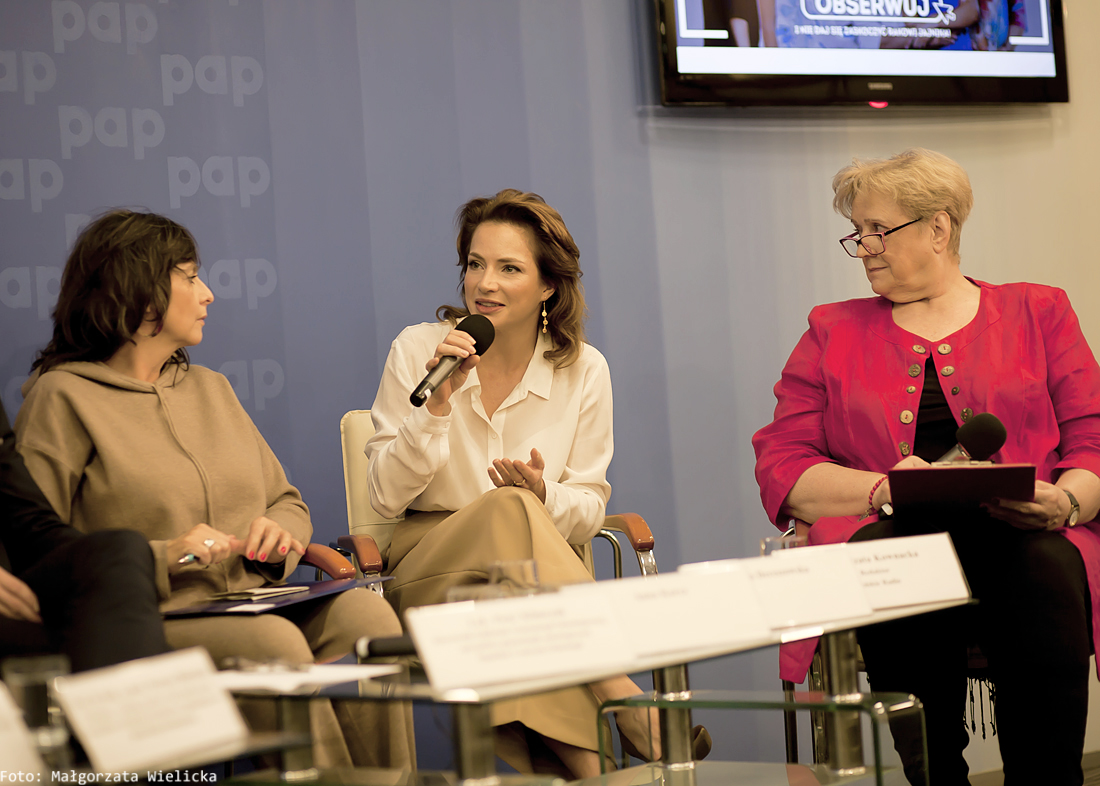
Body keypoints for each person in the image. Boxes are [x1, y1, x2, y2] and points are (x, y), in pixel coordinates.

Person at [14, 210, 414, 769]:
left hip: (258, 599)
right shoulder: (62, 400)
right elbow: (38, 559)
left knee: (368, 619)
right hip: (156, 621)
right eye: (190, 276)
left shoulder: (211, 387)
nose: (208, 294)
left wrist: (281, 532)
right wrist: (168, 557)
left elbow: (287, 501)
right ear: (140, 288)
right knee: (275, 651)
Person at [753, 148, 1100, 786]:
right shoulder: (831, 330)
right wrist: (886, 487)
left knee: (1044, 560)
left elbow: (1092, 435)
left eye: (877, 230)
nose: (863, 248)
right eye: (856, 234)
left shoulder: (1039, 310)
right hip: (894, 531)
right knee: (896, 562)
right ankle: (935, 778)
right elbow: (784, 459)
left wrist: (1068, 502)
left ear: (938, 229)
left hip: (1029, 532)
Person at [366, 189, 708, 779]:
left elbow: (588, 506)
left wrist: (543, 497)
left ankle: (589, 771)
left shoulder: (583, 368)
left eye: (508, 268)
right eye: (474, 264)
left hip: (527, 585)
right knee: (507, 511)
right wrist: (436, 407)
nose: (484, 284)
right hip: (429, 564)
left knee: (513, 604)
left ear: (549, 285)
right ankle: (624, 697)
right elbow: (384, 496)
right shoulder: (420, 350)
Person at [1, 399, 169, 672]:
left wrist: (128, 563)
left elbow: (29, 521)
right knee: (134, 646)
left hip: (14, 593)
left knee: (122, 547)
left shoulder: (214, 385)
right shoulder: (59, 393)